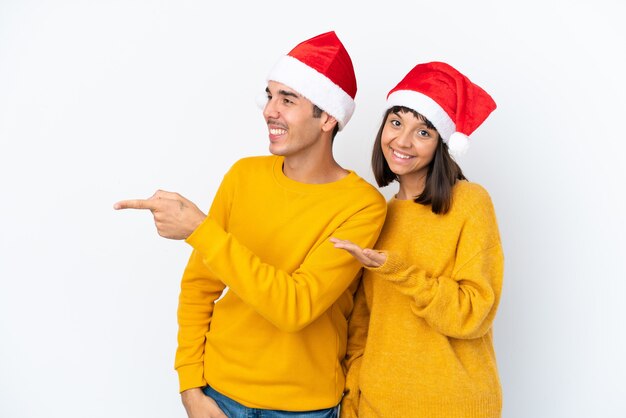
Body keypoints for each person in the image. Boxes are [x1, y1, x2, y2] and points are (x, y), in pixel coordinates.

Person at [114, 31, 387, 418]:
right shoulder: (244, 176)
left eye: (287, 99)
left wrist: (199, 229)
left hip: (303, 408)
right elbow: (199, 287)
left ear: (327, 117)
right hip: (218, 394)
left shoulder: (363, 206)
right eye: (270, 95)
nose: (268, 110)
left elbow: (296, 306)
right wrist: (190, 387)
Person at [331, 61, 503, 418]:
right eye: (396, 123)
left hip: (453, 405)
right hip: (377, 405)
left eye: (423, 132)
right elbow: (363, 325)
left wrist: (397, 270)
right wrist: (352, 402)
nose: (402, 141)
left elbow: (472, 314)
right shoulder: (378, 213)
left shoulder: (470, 202)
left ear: (442, 143)